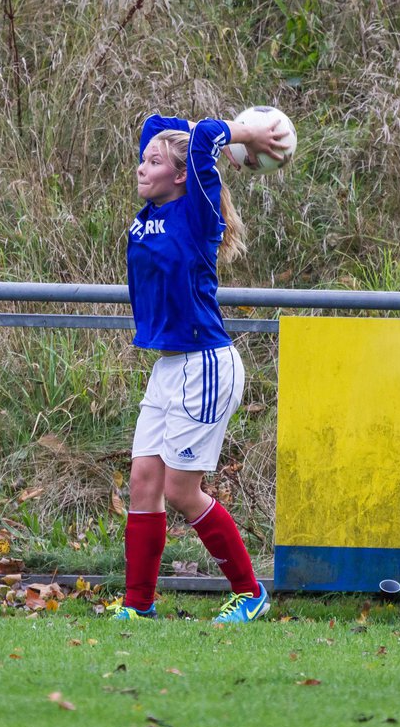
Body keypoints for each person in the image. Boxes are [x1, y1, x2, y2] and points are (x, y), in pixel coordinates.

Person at [107, 111, 290, 623]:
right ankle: (138, 607)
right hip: (170, 367)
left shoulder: (196, 213)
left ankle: (250, 593)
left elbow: (208, 136)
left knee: (180, 491)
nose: (142, 168)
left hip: (205, 365)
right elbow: (152, 123)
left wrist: (248, 135)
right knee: (144, 481)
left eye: (155, 162)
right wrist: (168, 141)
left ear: (183, 174)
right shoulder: (155, 204)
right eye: (143, 160)